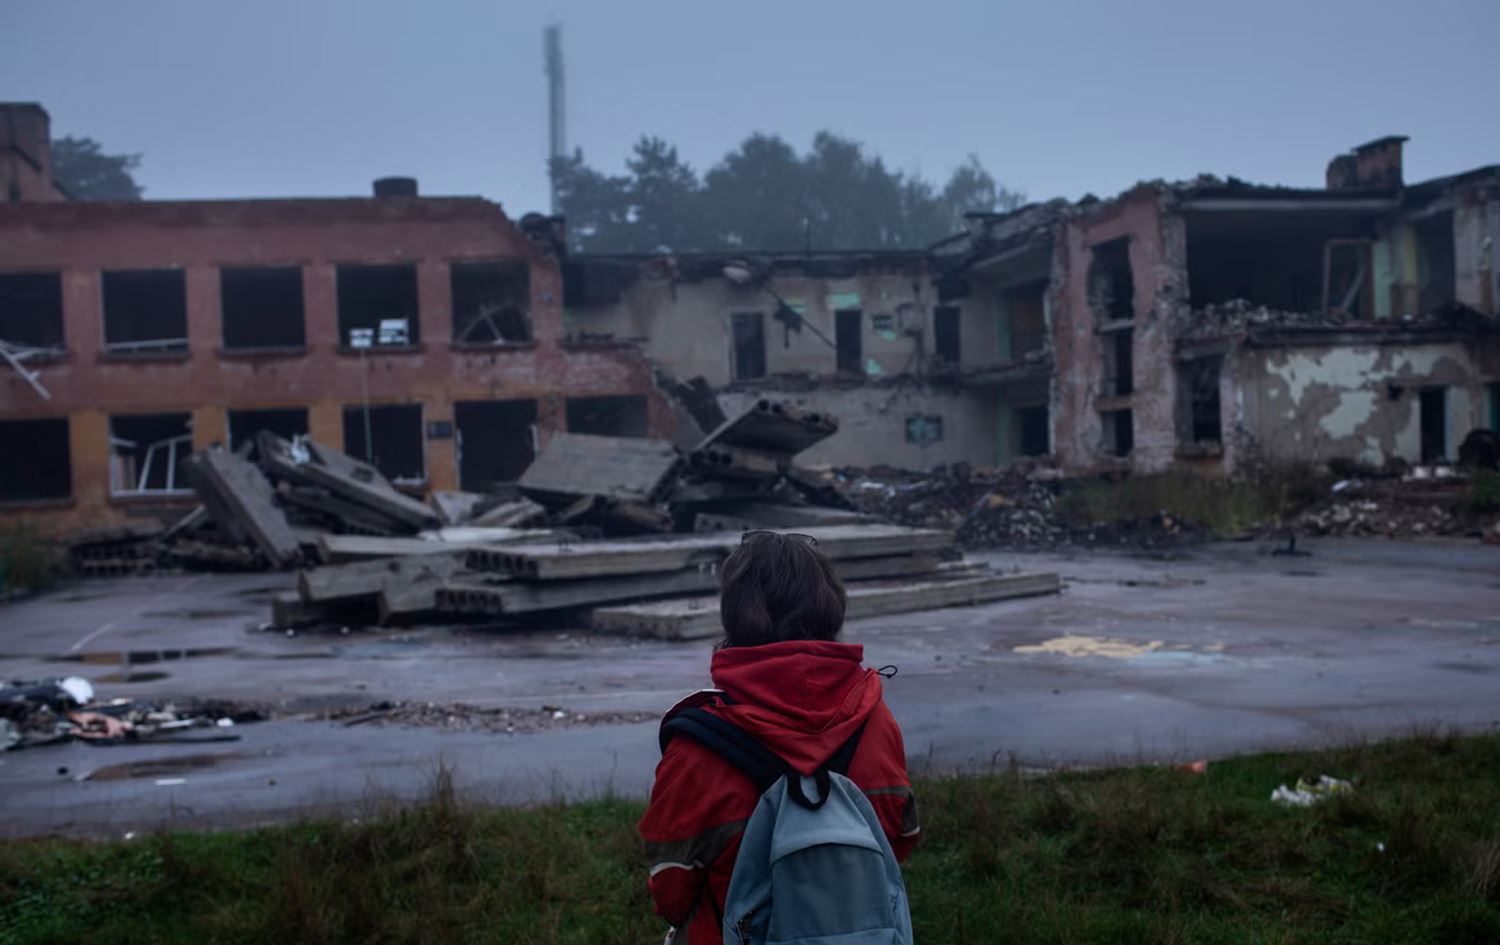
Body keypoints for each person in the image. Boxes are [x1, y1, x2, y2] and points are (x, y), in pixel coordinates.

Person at [638, 531, 920, 944]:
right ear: (830, 608)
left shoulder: (698, 745)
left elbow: (671, 891)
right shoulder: (876, 721)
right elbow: (901, 840)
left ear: (735, 615)